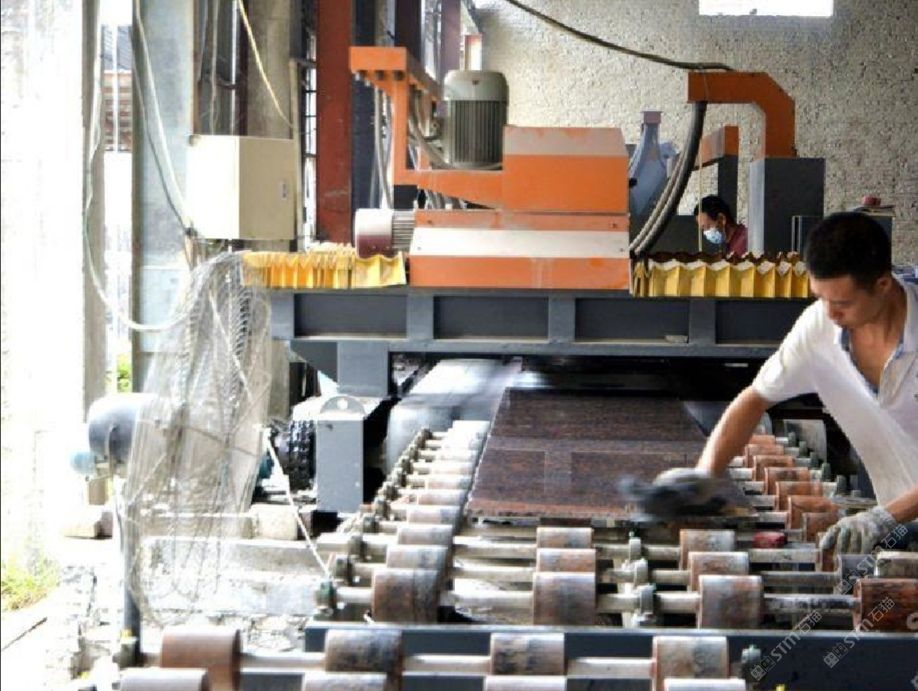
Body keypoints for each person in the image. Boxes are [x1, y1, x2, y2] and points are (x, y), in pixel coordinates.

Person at [655, 211, 918, 553]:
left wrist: (882, 518)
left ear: (883, 285)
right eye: (820, 297)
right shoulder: (820, 327)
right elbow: (755, 399)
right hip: (901, 519)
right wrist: (706, 474)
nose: (830, 314)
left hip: (895, 516)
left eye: (841, 303)